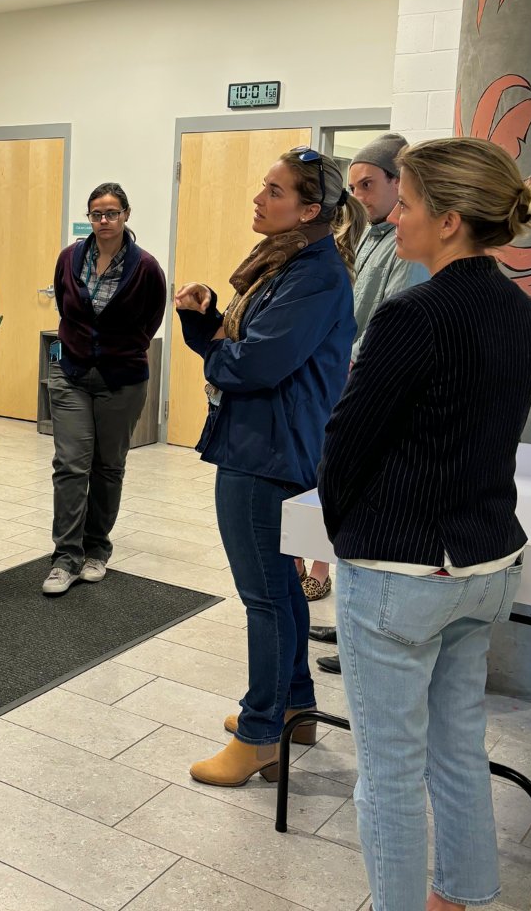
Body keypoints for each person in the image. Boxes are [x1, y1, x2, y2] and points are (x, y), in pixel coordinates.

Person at [318, 138, 531, 911]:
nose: (395, 217)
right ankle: (467, 895)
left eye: (405, 203)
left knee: (388, 770)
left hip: (401, 572)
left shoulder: (412, 315)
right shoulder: (521, 313)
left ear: (449, 221)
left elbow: (348, 441)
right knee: (455, 750)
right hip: (484, 565)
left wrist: (345, 533)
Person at [175, 147, 365, 787]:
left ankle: (262, 734)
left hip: (270, 448)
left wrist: (221, 350)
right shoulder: (285, 266)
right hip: (265, 439)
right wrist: (206, 323)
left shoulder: (313, 274)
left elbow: (256, 366)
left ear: (311, 210)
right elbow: (245, 352)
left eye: (275, 191)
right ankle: (295, 707)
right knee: (280, 587)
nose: (259, 198)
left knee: (263, 595)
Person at [301, 133, 429, 610]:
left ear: (401, 183)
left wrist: (335, 361)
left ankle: (346, 606)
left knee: (358, 500)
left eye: (368, 185)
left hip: (364, 386)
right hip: (339, 379)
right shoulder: (364, 235)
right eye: (353, 187)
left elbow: (386, 326)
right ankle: (335, 598)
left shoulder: (405, 247)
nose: (359, 197)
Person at [44, 182, 166, 595]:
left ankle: (97, 550)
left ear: (126, 215)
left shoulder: (145, 267)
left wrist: (114, 351)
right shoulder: (70, 258)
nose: (104, 221)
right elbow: (65, 306)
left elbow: (151, 320)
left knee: (108, 467)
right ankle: (66, 556)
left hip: (122, 379)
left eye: (112, 213)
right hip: (72, 373)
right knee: (71, 464)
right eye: (97, 213)